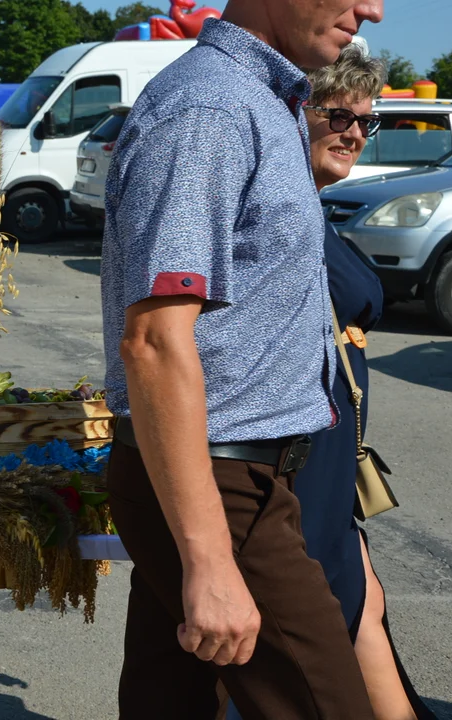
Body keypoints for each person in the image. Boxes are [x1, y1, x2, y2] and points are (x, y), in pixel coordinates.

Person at [100, 1, 384, 717]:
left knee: (168, 704)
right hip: (219, 478)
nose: (372, 9)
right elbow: (155, 341)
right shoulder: (209, 107)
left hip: (239, 475)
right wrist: (207, 558)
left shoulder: (262, 100)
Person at [297, 43, 435, 720]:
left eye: (365, 121)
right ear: (296, 114)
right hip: (297, 460)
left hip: (331, 460)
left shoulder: (309, 203)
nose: (353, 132)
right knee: (333, 619)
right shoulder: (280, 208)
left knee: (360, 606)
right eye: (337, 115)